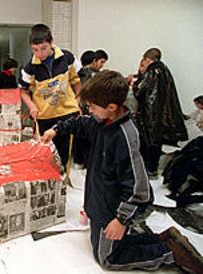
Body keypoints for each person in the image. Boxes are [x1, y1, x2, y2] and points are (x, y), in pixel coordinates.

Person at [42, 70, 203, 273]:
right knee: (108, 243)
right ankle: (162, 239)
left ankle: (169, 252)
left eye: (92, 106)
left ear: (111, 107)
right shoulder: (101, 121)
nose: (89, 110)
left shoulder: (125, 137)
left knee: (108, 258)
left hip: (112, 211)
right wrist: (56, 129)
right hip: (100, 205)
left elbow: (139, 190)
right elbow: (80, 123)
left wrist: (120, 220)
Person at [19, 23, 81, 167]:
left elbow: (78, 80)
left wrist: (78, 100)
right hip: (44, 117)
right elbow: (24, 91)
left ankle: (63, 185)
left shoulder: (67, 57)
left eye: (43, 48)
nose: (40, 54)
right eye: (35, 50)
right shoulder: (29, 68)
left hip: (67, 113)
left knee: (64, 156)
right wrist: (32, 106)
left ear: (51, 42)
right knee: (46, 156)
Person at [132, 48, 187, 179]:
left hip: (150, 114)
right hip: (161, 115)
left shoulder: (151, 71)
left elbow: (139, 91)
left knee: (147, 142)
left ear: (146, 59)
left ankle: (148, 171)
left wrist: (139, 75)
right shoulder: (165, 70)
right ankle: (152, 170)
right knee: (156, 142)